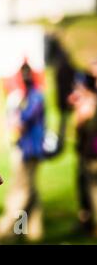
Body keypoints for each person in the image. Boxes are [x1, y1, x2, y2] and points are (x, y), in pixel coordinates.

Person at [0, 63, 46, 242]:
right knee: (31, 191)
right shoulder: (28, 96)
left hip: (28, 151)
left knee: (20, 193)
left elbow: (22, 121)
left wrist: (16, 118)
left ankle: (4, 231)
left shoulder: (34, 97)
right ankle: (32, 231)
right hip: (28, 149)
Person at [68, 67, 97, 236]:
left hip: (91, 154)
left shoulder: (88, 104)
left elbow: (78, 125)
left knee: (93, 191)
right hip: (88, 153)